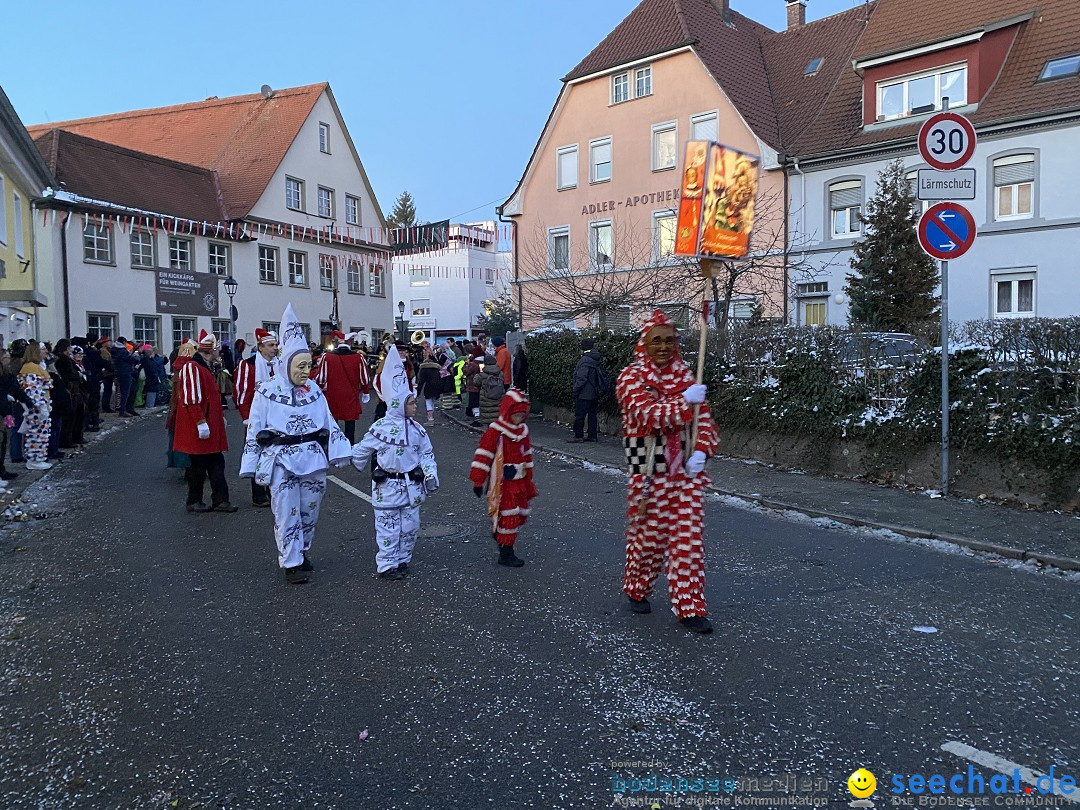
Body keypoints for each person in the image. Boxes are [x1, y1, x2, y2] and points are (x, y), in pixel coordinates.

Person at [616, 310, 719, 634]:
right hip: (649, 474)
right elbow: (648, 415)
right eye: (655, 340)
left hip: (686, 477)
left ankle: (690, 608)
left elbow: (705, 422)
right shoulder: (630, 378)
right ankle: (637, 587)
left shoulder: (688, 376)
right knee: (648, 542)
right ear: (643, 344)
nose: (663, 346)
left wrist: (702, 449)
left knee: (688, 543)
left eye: (669, 340)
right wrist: (685, 403)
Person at [241, 305, 352, 585]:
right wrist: (251, 464)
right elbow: (255, 428)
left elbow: (328, 421)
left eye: (308, 365)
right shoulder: (266, 391)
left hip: (312, 459)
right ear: (286, 363)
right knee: (286, 511)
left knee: (309, 511)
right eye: (300, 366)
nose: (306, 372)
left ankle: (302, 551)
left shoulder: (313, 389)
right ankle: (291, 562)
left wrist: (342, 450)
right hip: (282, 460)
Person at [351, 345, 439, 581]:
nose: (415, 406)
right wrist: (347, 457)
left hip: (412, 486)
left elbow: (427, 453)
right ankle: (387, 564)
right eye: (410, 403)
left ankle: (402, 560)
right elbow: (362, 449)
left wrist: (430, 474)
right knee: (388, 527)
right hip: (387, 487)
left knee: (410, 528)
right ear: (398, 404)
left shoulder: (418, 430)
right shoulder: (380, 428)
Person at [469, 388, 538, 568]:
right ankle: (506, 553)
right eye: (515, 415)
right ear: (508, 413)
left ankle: (500, 534)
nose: (518, 419)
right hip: (503, 482)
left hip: (520, 480)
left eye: (522, 416)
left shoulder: (522, 431)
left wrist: (529, 479)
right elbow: (484, 455)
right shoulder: (496, 431)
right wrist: (478, 480)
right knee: (509, 514)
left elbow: (527, 455)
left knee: (521, 513)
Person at [173, 330, 237, 513]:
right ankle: (197, 500)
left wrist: (218, 418)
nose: (219, 351)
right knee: (200, 466)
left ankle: (218, 500)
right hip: (200, 427)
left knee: (213, 463)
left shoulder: (204, 367)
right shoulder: (193, 368)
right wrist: (201, 422)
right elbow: (191, 398)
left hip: (208, 424)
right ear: (210, 350)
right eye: (216, 348)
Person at [234, 328, 279, 507]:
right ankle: (259, 493)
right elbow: (241, 392)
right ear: (260, 347)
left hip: (277, 417)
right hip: (257, 416)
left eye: (275, 345)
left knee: (276, 453)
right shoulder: (248, 365)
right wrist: (246, 417)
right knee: (258, 453)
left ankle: (274, 488)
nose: (274, 348)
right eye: (270, 345)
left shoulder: (280, 364)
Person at [311, 330, 371, 443]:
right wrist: (366, 392)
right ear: (350, 343)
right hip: (351, 396)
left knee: (333, 423)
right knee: (350, 425)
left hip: (333, 397)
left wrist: (318, 391)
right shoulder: (359, 358)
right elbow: (365, 378)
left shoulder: (326, 357)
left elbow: (321, 379)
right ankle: (349, 447)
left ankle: (334, 446)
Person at [18, 341, 54, 471]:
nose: (46, 351)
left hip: (41, 405)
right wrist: (40, 407)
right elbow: (33, 391)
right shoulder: (31, 368)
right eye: (43, 349)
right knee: (36, 434)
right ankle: (34, 460)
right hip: (36, 408)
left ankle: (39, 458)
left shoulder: (36, 366)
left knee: (41, 434)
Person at [0, 348, 33, 480]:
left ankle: (1, 470)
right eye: (6, 358)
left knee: (3, 442)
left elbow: (15, 389)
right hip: (2, 409)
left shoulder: (8, 374)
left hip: (5, 411)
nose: (9, 361)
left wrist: (27, 400)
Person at [165, 341, 196, 472]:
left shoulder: (178, 371)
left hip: (178, 408)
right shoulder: (189, 370)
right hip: (185, 408)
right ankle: (187, 464)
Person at [571, 338, 607, 443]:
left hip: (584, 393)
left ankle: (578, 436)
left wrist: (575, 390)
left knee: (580, 415)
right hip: (594, 392)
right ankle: (592, 436)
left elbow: (581, 378)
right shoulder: (596, 358)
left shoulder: (584, 360)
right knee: (592, 415)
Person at [110, 337, 140, 417]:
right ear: (123, 342)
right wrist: (137, 357)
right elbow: (132, 360)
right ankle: (123, 410)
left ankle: (129, 408)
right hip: (125, 372)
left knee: (133, 389)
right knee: (125, 392)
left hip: (122, 372)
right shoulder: (122, 351)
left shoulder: (115, 350)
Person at [416, 345, 443, 425]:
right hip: (438, 387)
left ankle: (430, 419)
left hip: (429, 388)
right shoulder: (436, 369)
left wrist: (418, 393)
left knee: (428, 402)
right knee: (433, 402)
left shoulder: (424, 369)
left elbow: (421, 382)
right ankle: (431, 417)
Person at [463, 348, 484, 425]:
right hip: (481, 386)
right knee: (478, 401)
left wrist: (466, 364)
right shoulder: (483, 362)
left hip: (472, 386)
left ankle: (476, 418)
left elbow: (466, 371)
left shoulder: (473, 364)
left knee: (473, 402)